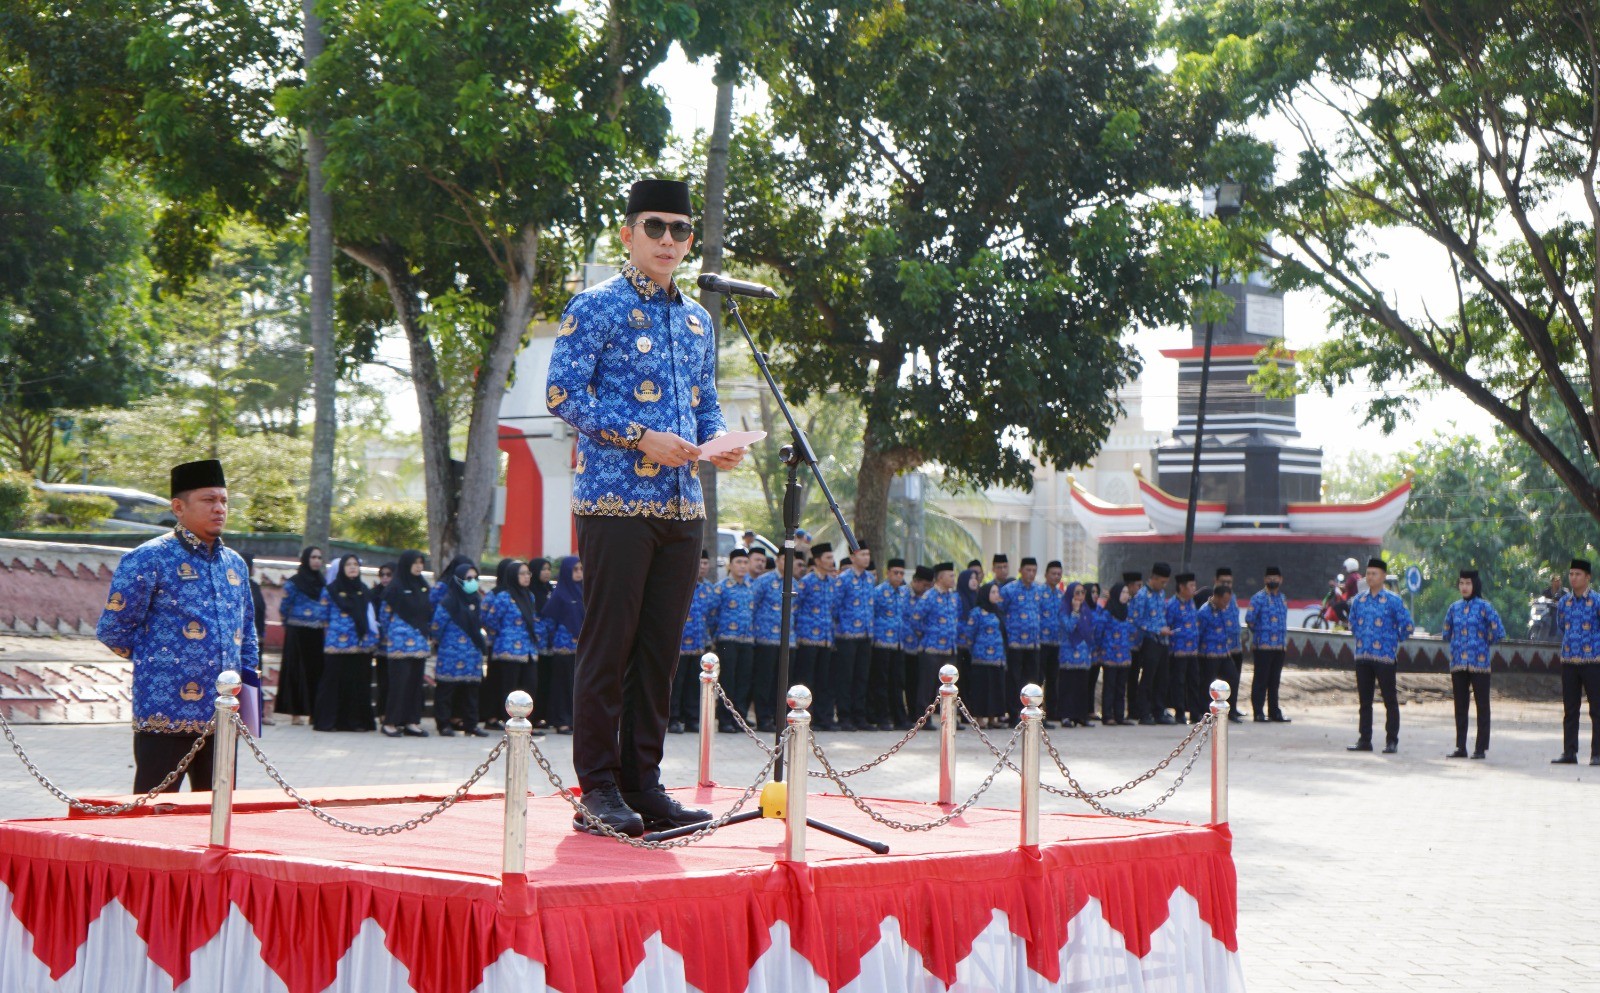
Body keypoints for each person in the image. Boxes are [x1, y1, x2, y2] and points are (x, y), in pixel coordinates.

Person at [544, 179, 745, 836]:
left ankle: (644, 785)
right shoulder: (595, 305)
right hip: (614, 502)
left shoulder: (697, 321)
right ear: (628, 234)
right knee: (610, 647)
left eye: (679, 229)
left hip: (683, 508)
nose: (667, 239)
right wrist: (639, 436)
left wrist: (720, 442)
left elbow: (705, 402)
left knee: (660, 651)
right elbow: (562, 395)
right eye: (654, 227)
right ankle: (598, 788)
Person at [97, 459, 257, 794]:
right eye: (208, 500)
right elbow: (113, 629)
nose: (219, 508)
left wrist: (250, 691)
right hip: (164, 712)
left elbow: (247, 632)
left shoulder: (235, 565)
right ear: (178, 507)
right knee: (156, 810)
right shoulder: (148, 558)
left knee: (216, 810)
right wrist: (161, 662)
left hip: (223, 716)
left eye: (224, 500)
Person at [1347, 557, 1413, 754]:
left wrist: (1393, 640)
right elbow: (1352, 624)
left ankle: (1391, 740)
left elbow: (1407, 626)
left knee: (1389, 700)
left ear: (1383, 576)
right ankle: (1364, 740)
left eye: (1374, 573)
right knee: (1364, 702)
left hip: (1385, 657)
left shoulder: (1394, 601)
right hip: (1363, 657)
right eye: (1368, 573)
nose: (1370, 577)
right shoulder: (1359, 600)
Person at [1440, 568, 1503, 759]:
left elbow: (1499, 631)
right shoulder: (1454, 608)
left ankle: (1480, 748)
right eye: (1461, 583)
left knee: (1482, 706)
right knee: (1460, 706)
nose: (1464, 587)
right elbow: (1446, 633)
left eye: (1468, 583)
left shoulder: (1485, 607)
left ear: (1475, 585)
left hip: (1479, 663)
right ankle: (1460, 747)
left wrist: (1483, 643)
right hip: (1458, 662)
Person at [314, 554, 378, 733]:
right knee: (333, 684)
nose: (352, 567)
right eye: (348, 564)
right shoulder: (330, 590)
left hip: (361, 645)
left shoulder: (364, 589)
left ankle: (356, 722)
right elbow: (323, 617)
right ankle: (329, 722)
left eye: (355, 564)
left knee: (357, 684)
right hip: (337, 646)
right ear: (341, 568)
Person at [483, 559, 542, 733]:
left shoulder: (529, 595)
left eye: (528, 573)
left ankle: (526, 724)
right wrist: (505, 636)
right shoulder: (503, 596)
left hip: (528, 650)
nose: (526, 577)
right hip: (508, 650)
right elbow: (491, 620)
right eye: (522, 574)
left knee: (529, 686)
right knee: (509, 688)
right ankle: (508, 722)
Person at [431, 563, 489, 738]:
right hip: (451, 653)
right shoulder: (447, 602)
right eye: (468, 578)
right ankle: (443, 724)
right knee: (446, 691)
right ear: (458, 580)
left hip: (472, 654)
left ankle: (471, 724)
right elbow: (436, 627)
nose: (473, 582)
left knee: (471, 692)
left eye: (475, 578)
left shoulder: (477, 601)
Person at [1552, 558, 1600, 765]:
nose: (1573, 578)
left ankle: (1597, 753)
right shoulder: (1564, 602)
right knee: (1570, 709)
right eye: (1571, 574)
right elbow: (1561, 625)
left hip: (1593, 661)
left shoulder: (1597, 601)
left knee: (1596, 708)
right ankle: (1569, 752)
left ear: (1587, 577)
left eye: (1578, 574)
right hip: (1569, 660)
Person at [379, 551, 432, 738]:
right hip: (400, 645)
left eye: (421, 563)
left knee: (415, 684)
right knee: (399, 684)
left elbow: (428, 612)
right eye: (415, 563)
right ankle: (390, 722)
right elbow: (384, 617)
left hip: (419, 644)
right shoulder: (395, 588)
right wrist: (394, 634)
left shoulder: (423, 586)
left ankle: (412, 722)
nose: (418, 566)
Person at [749, 549, 799, 733]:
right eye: (785, 559)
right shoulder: (764, 581)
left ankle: (779, 718)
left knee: (783, 682)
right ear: (778, 560)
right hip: (766, 638)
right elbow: (753, 606)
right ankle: (763, 718)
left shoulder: (795, 584)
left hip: (788, 640)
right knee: (765, 681)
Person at [275, 546, 326, 725]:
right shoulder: (294, 583)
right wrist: (289, 625)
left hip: (317, 633)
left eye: (319, 558)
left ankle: (314, 713)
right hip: (297, 633)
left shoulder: (323, 583)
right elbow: (284, 607)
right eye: (313, 557)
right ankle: (295, 714)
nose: (317, 561)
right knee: (296, 672)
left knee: (316, 672)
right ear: (306, 559)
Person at [709, 548, 756, 732]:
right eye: (739, 562)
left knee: (744, 680)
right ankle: (725, 720)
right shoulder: (721, 587)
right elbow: (712, 614)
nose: (742, 566)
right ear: (730, 564)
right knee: (728, 680)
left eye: (745, 562)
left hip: (747, 639)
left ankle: (740, 718)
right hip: (727, 639)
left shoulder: (752, 587)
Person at [669, 550, 715, 734]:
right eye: (699, 562)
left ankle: (692, 718)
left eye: (705, 563)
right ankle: (673, 718)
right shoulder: (678, 585)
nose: (702, 567)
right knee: (676, 683)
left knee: (694, 684)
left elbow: (711, 616)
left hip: (699, 644)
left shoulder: (709, 589)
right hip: (679, 645)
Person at [832, 541, 876, 731]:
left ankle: (859, 716)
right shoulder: (843, 579)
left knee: (862, 677)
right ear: (852, 557)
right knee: (845, 677)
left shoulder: (870, 579)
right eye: (862, 554)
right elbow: (835, 606)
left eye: (868, 554)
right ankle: (844, 716)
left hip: (865, 635)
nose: (866, 558)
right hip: (846, 635)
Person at [794, 543, 839, 730]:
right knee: (807, 680)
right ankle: (807, 718)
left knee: (825, 680)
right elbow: (795, 608)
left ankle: (824, 718)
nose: (831, 561)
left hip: (826, 638)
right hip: (807, 638)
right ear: (818, 560)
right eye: (828, 558)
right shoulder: (806, 582)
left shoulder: (832, 583)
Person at [910, 563, 961, 719]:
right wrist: (928, 634)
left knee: (950, 686)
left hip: (950, 648)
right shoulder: (929, 596)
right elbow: (916, 619)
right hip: (931, 648)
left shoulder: (953, 597)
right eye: (950, 575)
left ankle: (950, 718)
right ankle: (923, 717)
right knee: (927, 686)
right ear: (940, 578)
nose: (953, 578)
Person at [539, 556, 583, 737]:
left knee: (578, 686)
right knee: (562, 686)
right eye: (575, 569)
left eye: (581, 569)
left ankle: (575, 720)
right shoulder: (560, 595)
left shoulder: (585, 592)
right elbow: (549, 622)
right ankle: (561, 721)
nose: (579, 573)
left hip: (581, 649)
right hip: (563, 648)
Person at [999, 557, 1045, 722]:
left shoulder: (1039, 590)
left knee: (1033, 680)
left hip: (1033, 643)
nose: (1031, 574)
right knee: (1014, 679)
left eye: (1034, 571)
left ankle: (1033, 713)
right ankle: (1014, 713)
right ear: (1020, 570)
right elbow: (1000, 612)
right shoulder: (1008, 590)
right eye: (1028, 570)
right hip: (1015, 643)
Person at [869, 557, 912, 730]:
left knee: (898, 682)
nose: (899, 576)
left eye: (901, 573)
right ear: (888, 573)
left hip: (899, 642)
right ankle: (882, 717)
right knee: (882, 682)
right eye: (896, 573)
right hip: (882, 642)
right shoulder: (878, 592)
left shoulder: (904, 592)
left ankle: (899, 718)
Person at [1130, 562, 1173, 725]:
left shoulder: (1161, 593)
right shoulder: (1142, 595)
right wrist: (1157, 629)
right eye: (1162, 582)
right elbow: (1136, 620)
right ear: (1153, 578)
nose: (1164, 585)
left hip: (1163, 641)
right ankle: (1144, 712)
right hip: (1149, 641)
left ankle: (1159, 711)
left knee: (1162, 678)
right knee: (1148, 677)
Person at [962, 580, 1009, 726]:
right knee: (981, 688)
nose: (996, 595)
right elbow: (969, 634)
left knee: (996, 688)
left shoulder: (998, 611)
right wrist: (975, 650)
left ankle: (993, 718)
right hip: (981, 657)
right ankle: (980, 718)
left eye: (997, 592)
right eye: (993, 592)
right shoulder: (976, 612)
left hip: (997, 657)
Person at [1248, 566, 1291, 723]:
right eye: (1270, 578)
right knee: (1261, 680)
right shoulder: (1258, 598)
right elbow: (1250, 619)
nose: (1273, 580)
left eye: (1275, 578)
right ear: (1265, 580)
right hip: (1263, 646)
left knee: (1274, 681)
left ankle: (1274, 711)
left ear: (1281, 580)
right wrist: (1262, 634)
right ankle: (1258, 712)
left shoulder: (1282, 598)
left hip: (1279, 646)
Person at [1096, 580, 1139, 725]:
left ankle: (1120, 715)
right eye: (1123, 592)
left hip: (1124, 654)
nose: (1126, 595)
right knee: (1109, 685)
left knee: (1121, 687)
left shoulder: (1127, 612)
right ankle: (1107, 715)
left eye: (1127, 592)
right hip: (1110, 654)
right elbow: (1099, 631)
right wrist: (1101, 647)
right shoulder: (1107, 612)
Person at [1057, 582, 1096, 727]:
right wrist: (1075, 611)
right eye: (1077, 593)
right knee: (1068, 685)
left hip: (1083, 654)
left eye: (1082, 592)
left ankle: (1081, 715)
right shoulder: (1064, 609)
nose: (1080, 596)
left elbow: (1090, 630)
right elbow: (1068, 627)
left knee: (1082, 685)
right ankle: (1066, 716)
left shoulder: (1086, 610)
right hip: (1069, 652)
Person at [1165, 573, 1200, 723]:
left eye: (1194, 585)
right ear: (1181, 587)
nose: (1194, 588)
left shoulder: (1191, 602)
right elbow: (1168, 625)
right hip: (1178, 651)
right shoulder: (1172, 605)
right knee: (1178, 682)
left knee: (1194, 681)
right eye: (1191, 586)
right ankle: (1179, 713)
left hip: (1192, 650)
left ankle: (1194, 713)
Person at [1038, 561, 1065, 716]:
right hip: (1042, 641)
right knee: (1039, 677)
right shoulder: (1039, 593)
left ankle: (1053, 711)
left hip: (1057, 642)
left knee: (1054, 678)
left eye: (1058, 574)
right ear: (1046, 574)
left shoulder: (1062, 595)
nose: (1056, 576)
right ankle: (1036, 710)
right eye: (1053, 573)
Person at [369, 562, 394, 725]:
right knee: (383, 680)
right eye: (382, 575)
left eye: (389, 575)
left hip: (398, 644)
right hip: (381, 644)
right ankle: (382, 712)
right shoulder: (374, 594)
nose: (385, 578)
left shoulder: (399, 593)